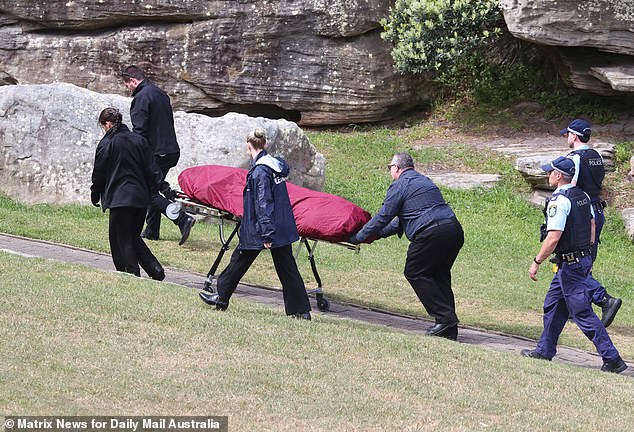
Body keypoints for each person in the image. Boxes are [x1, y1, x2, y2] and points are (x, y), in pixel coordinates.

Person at [522, 156, 627, 374]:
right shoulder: (583, 196)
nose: (548, 175)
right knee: (553, 305)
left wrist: (536, 262)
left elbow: (553, 237)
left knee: (582, 313)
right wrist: (588, 254)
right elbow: (591, 226)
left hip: (570, 266)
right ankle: (544, 350)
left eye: (550, 172)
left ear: (559, 175)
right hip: (576, 261)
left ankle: (612, 359)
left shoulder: (559, 201)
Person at [198, 129, 312, 319]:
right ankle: (301, 310)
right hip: (281, 225)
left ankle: (221, 297)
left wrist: (267, 233)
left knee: (240, 258)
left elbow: (263, 203)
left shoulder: (260, 171)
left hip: (264, 227)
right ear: (265, 145)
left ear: (248, 146)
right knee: (287, 268)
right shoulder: (276, 166)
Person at [349, 152, 464, 340]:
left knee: (415, 272)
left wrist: (359, 236)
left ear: (396, 168)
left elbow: (383, 217)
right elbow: (400, 222)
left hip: (431, 233)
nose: (390, 171)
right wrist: (375, 235)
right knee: (438, 275)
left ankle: (446, 319)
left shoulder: (400, 185)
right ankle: (448, 329)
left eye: (390, 167)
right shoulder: (424, 182)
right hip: (453, 230)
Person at [121, 65, 195, 245]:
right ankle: (152, 230)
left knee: (147, 192)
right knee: (154, 187)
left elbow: (140, 132)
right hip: (170, 150)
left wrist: (135, 154)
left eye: (127, 85)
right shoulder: (160, 93)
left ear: (132, 80)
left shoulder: (141, 97)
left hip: (155, 152)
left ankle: (182, 219)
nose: (127, 89)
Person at [90, 107, 166, 281]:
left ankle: (131, 274)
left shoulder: (107, 143)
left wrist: (95, 193)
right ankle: (155, 269)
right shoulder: (139, 140)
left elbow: (99, 172)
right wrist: (156, 191)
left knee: (120, 238)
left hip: (119, 198)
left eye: (103, 126)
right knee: (132, 236)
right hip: (140, 198)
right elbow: (152, 169)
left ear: (108, 124)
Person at [562, 119, 621, 327]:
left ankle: (605, 300)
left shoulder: (575, 159)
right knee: (585, 261)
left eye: (567, 134)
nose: (566, 138)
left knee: (572, 261)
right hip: (597, 210)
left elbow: (573, 185)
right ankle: (574, 306)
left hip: (583, 214)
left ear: (574, 136)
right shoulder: (596, 156)